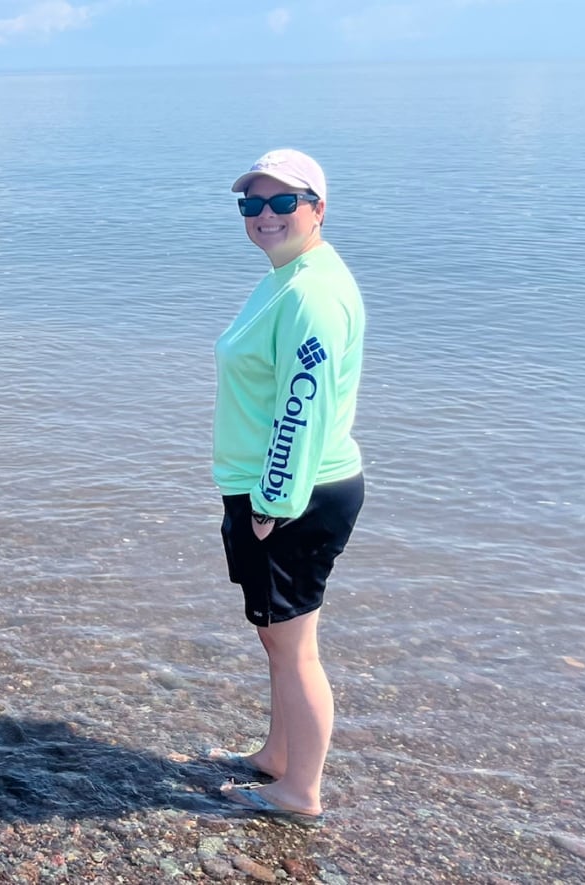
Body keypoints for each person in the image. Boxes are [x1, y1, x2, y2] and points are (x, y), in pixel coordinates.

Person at [212, 148, 365, 821]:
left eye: (283, 203)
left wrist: (272, 503)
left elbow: (301, 407)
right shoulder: (291, 274)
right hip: (284, 486)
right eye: (252, 204)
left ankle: (299, 790)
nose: (265, 215)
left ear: (318, 208)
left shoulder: (310, 294)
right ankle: (277, 755)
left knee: (295, 645)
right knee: (280, 636)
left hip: (292, 493)